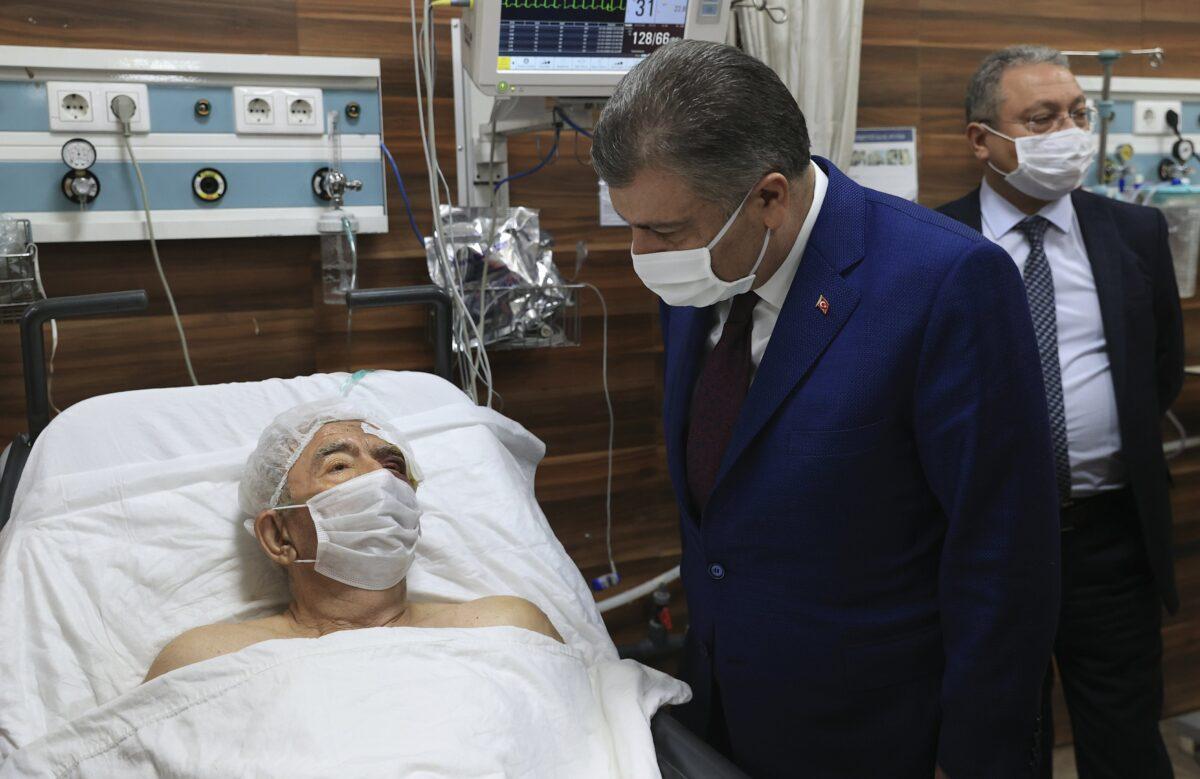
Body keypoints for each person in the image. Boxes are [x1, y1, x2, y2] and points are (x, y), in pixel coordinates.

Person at [591, 39, 1061, 778]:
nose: (641, 253)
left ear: (770, 196)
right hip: (725, 710)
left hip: (882, 732)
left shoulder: (944, 283)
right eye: (631, 224)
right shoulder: (703, 277)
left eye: (663, 231)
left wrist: (974, 758)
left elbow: (1005, 555)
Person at [938, 45, 1185, 779]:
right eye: (1042, 118)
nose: (1070, 130)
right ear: (983, 139)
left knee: (1127, 735)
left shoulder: (1133, 234)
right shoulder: (935, 245)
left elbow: (1158, 371)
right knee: (1007, 740)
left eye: (1080, 112)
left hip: (1110, 538)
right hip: (990, 543)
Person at [144, 399, 561, 682]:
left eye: (393, 465)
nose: (381, 479)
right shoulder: (205, 661)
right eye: (340, 466)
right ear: (279, 536)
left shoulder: (507, 627)